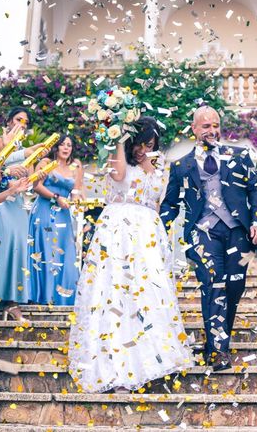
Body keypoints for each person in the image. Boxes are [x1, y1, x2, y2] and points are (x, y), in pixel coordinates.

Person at [67, 117, 193, 392]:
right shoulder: (120, 161)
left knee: (147, 294)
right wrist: (119, 136)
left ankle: (150, 361)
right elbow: (119, 176)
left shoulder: (160, 167)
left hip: (147, 232)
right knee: (117, 293)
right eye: (140, 144)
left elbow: (159, 202)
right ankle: (116, 366)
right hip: (118, 231)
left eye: (149, 144)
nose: (143, 150)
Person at [160, 106, 257, 371]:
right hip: (201, 232)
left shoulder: (240, 156)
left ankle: (215, 341)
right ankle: (220, 351)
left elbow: (256, 189)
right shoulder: (181, 165)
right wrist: (157, 229)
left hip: (236, 232)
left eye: (215, 125)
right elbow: (171, 203)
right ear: (194, 129)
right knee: (212, 284)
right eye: (205, 126)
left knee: (234, 288)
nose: (212, 130)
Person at [0, 111, 36, 322]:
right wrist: (7, 181)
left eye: (26, 122)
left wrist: (25, 184)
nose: (22, 124)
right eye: (18, 119)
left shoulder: (25, 151)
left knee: (17, 248)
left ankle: (12, 302)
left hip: (16, 204)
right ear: (8, 121)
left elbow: (30, 180)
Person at [28, 135, 83, 305]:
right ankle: (43, 296)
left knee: (65, 252)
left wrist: (80, 201)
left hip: (64, 215)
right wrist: (56, 197)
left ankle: (64, 298)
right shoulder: (45, 163)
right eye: (63, 145)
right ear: (56, 147)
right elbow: (36, 186)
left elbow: (78, 190)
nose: (66, 148)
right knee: (46, 250)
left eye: (69, 145)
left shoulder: (76, 165)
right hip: (45, 211)